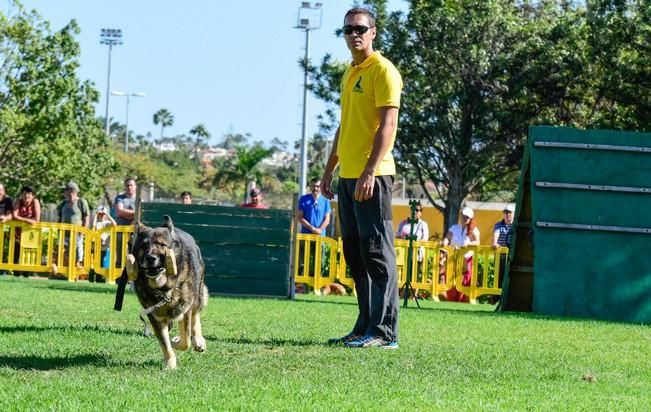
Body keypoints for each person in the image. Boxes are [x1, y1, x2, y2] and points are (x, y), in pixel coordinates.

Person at [321, 7, 403, 349]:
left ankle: (385, 333)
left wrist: (370, 170)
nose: (354, 35)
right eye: (348, 30)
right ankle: (364, 326)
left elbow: (388, 125)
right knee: (355, 255)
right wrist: (330, 169)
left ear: (373, 32)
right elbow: (345, 126)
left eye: (360, 29)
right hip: (348, 178)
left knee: (376, 253)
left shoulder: (383, 71)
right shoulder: (350, 73)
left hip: (374, 177)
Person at [297, 178, 332, 284]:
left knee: (320, 261)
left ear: (321, 187)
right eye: (313, 186)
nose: (315, 188)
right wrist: (312, 229)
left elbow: (327, 219)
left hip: (320, 236)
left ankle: (317, 284)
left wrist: (319, 230)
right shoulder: (303, 199)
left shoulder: (325, 201)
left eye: (317, 186)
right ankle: (300, 284)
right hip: (305, 236)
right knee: (302, 260)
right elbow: (299, 217)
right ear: (310, 186)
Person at [442, 207, 480, 302]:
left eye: (467, 217)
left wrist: (468, 244)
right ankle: (452, 299)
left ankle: (463, 300)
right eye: (463, 216)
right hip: (453, 257)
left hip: (466, 259)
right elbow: (447, 237)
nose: (464, 219)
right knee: (450, 278)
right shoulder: (454, 228)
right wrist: (444, 242)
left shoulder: (474, 230)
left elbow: (477, 242)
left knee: (465, 280)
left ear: (470, 218)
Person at [56, 181, 90, 269]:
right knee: (62, 250)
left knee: (78, 250)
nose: (64, 192)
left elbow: (86, 217)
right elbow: (59, 217)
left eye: (65, 190)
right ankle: (62, 268)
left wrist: (83, 231)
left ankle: (77, 265)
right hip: (64, 233)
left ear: (72, 191)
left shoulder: (81, 202)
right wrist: (58, 230)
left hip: (77, 233)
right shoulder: (63, 203)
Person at [490, 204, 515, 302]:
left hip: (512, 256)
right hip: (501, 255)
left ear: (514, 213)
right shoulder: (498, 225)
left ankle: (509, 299)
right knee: (498, 276)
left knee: (511, 277)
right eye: (505, 212)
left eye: (509, 212)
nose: (507, 214)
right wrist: (494, 243)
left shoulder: (516, 225)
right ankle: (495, 298)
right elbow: (496, 234)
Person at [114, 178, 137, 267]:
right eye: (127, 185)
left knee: (133, 252)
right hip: (121, 229)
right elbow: (119, 211)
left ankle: (132, 272)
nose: (129, 187)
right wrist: (134, 213)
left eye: (131, 185)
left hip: (133, 231)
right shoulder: (120, 198)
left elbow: (140, 215)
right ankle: (119, 274)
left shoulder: (139, 199)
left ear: (135, 187)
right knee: (120, 252)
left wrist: (125, 213)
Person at [92, 205, 116, 275]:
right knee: (94, 262)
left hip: (104, 247)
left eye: (103, 215)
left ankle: (100, 277)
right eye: (100, 214)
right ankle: (93, 276)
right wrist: (96, 215)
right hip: (96, 246)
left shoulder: (107, 223)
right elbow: (93, 226)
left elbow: (114, 224)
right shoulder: (96, 222)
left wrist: (107, 214)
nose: (102, 216)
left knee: (102, 262)